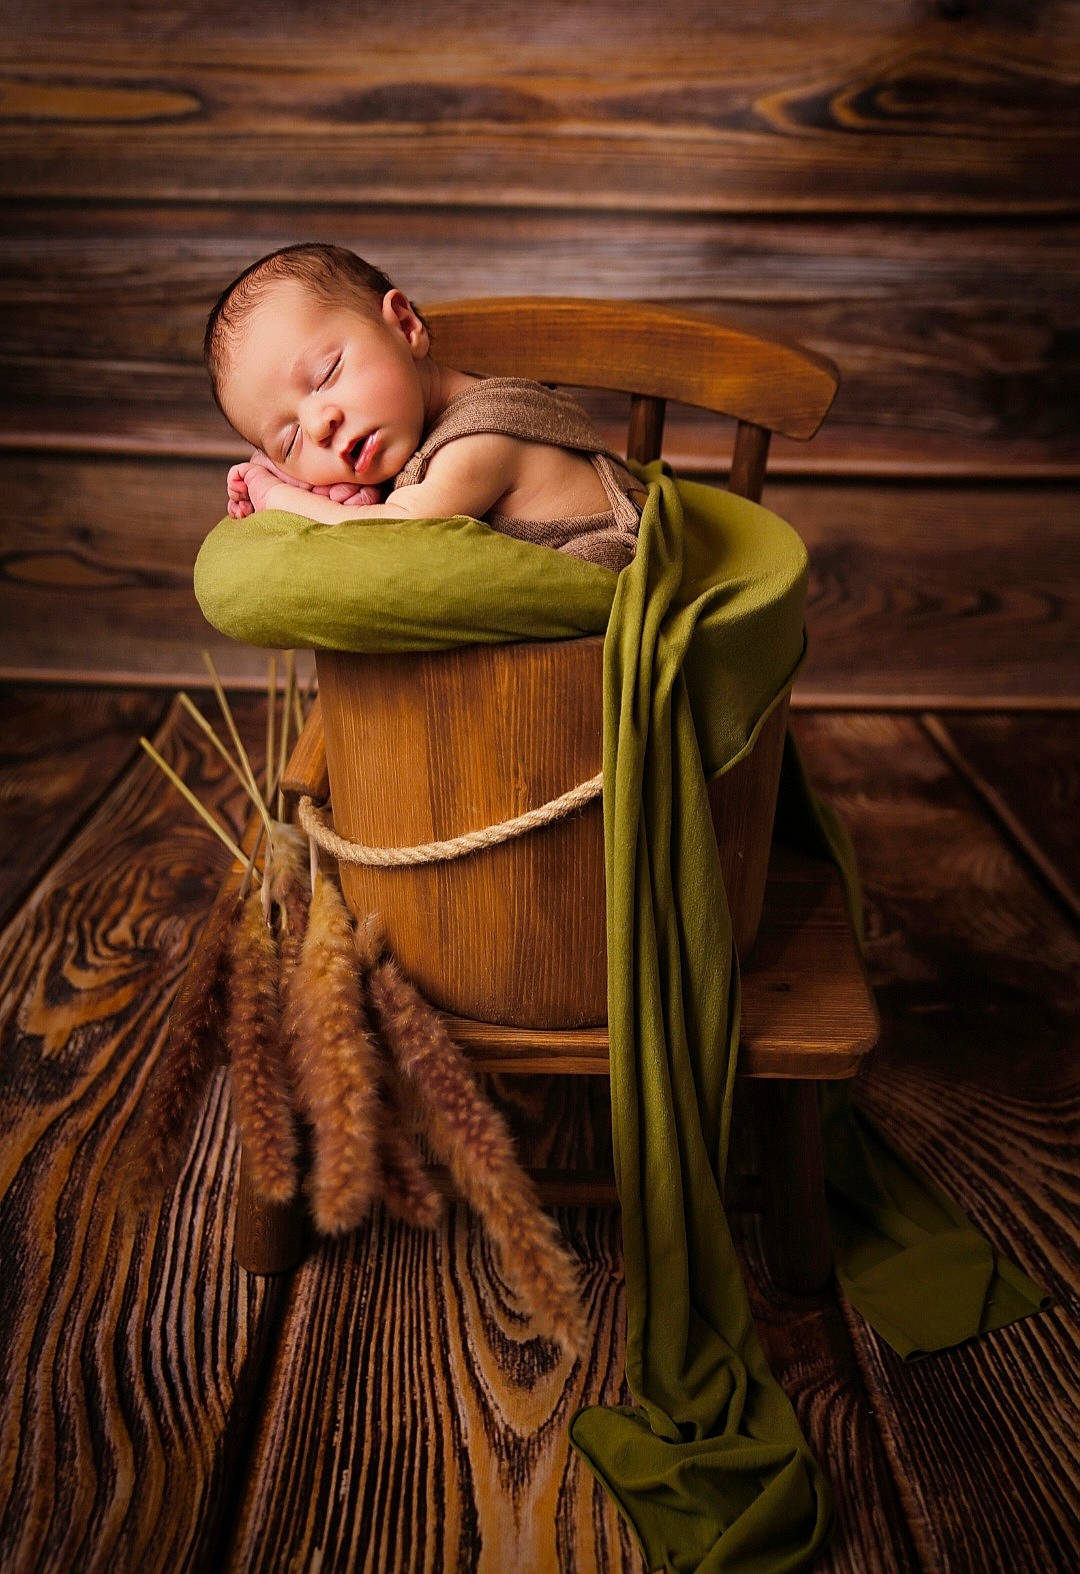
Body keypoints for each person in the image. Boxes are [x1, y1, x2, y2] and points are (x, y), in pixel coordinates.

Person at [204, 243, 643, 571]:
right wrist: (307, 484)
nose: (319, 425)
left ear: (405, 325)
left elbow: (397, 533)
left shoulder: (481, 439)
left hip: (602, 620)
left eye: (326, 374)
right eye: (290, 440)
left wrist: (275, 495)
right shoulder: (411, 429)